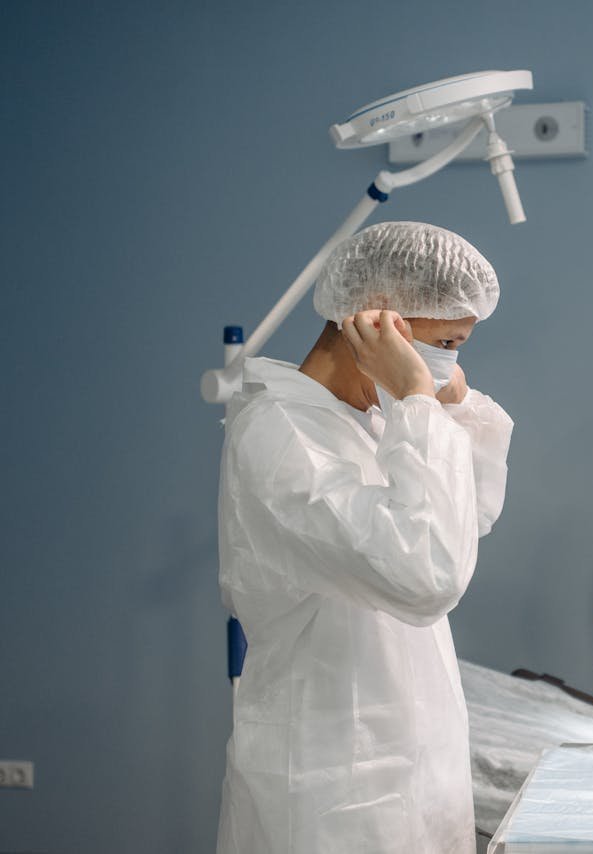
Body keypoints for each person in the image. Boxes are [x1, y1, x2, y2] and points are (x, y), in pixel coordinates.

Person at [215, 222, 513, 853]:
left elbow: (468, 520)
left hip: (410, 757)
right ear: (372, 323)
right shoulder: (283, 435)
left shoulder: (372, 422)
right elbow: (427, 574)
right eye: (448, 343)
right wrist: (415, 398)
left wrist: (452, 405)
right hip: (334, 780)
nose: (450, 361)